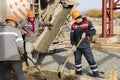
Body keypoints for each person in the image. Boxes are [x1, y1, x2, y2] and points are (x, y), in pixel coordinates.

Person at [70, 10, 100, 77]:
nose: (75, 20)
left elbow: (93, 31)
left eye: (75, 19)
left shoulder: (87, 22)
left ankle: (96, 75)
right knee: (77, 62)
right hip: (77, 48)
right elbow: (72, 36)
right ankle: (78, 75)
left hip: (86, 46)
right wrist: (73, 45)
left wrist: (86, 33)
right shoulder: (73, 25)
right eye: (74, 19)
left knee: (91, 60)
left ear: (79, 17)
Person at [0, 16, 25, 80]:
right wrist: (22, 53)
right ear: (13, 23)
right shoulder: (16, 31)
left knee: (4, 76)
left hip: (2, 58)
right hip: (14, 57)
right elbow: (20, 45)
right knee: (20, 75)